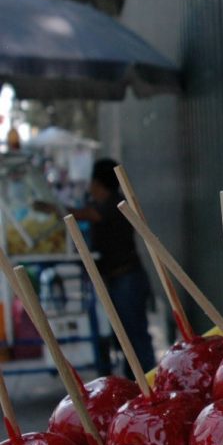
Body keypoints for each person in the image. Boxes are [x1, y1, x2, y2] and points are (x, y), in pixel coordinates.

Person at [37, 158, 155, 373]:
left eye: (92, 181)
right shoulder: (100, 204)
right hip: (117, 280)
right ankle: (136, 383)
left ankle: (149, 381)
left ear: (98, 183)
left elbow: (84, 215)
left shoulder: (114, 205)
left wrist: (55, 209)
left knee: (136, 337)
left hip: (128, 280)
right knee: (125, 339)